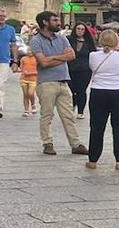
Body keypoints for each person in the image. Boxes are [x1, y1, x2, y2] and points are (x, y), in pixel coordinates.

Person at [30, 11, 88, 156]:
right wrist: (62, 57)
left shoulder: (62, 38)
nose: (58, 22)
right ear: (45, 22)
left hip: (63, 81)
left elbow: (72, 55)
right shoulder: (36, 40)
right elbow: (42, 62)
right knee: (47, 115)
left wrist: (52, 58)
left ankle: (75, 144)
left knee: (68, 115)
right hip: (46, 83)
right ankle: (47, 143)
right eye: (55, 20)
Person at [86, 30, 119, 170]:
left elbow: (92, 69)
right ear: (116, 41)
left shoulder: (92, 55)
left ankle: (93, 159)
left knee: (96, 127)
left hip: (98, 91)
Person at [67, 22, 96, 119]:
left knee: (81, 90)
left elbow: (93, 54)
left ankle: (80, 111)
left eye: (82, 29)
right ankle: (73, 105)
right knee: (73, 90)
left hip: (85, 70)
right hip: (71, 68)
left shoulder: (88, 42)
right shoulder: (69, 40)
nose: (80, 31)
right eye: (78, 29)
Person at [0, 6, 16, 118]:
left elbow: (14, 45)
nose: (1, 18)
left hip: (4, 60)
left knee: (0, 85)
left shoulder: (10, 29)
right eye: (0, 16)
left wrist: (15, 60)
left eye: (3, 16)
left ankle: (0, 107)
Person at [18, 46, 38, 116]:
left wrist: (31, 73)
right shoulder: (23, 58)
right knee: (25, 94)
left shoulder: (36, 59)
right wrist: (20, 70)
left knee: (30, 93)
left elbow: (39, 71)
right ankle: (26, 110)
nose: (29, 52)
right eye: (28, 51)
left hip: (33, 79)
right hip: (24, 78)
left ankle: (33, 104)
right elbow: (21, 68)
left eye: (31, 51)